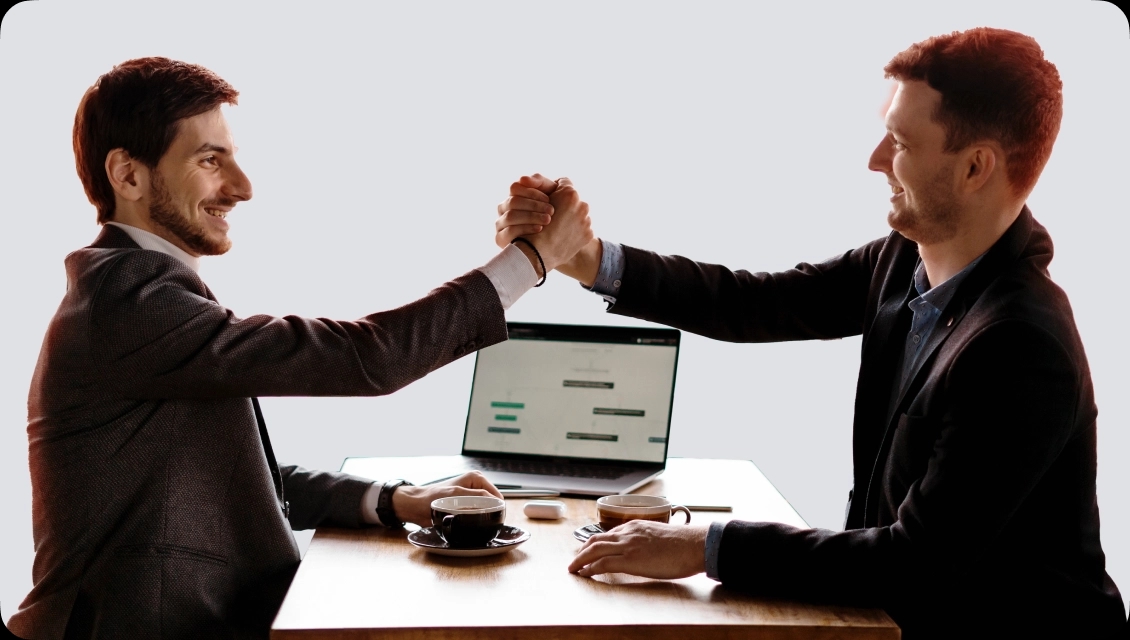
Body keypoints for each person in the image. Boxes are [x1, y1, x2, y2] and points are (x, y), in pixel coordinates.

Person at [497, 27, 1125, 638]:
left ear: (975, 167)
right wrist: (587, 256)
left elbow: (913, 562)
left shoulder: (1020, 348)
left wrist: (704, 545)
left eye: (900, 142)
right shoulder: (903, 261)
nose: (875, 160)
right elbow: (755, 303)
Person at [8, 57, 588, 639]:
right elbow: (370, 358)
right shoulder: (128, 298)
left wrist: (394, 500)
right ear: (127, 176)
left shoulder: (137, 293)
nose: (242, 187)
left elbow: (234, 479)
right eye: (210, 160)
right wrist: (531, 261)